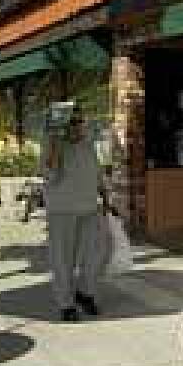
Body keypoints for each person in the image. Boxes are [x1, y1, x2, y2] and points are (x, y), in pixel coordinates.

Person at [42, 105, 108, 322]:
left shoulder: (88, 145)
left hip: (90, 208)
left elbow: (97, 172)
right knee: (63, 260)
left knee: (96, 255)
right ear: (63, 126)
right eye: (73, 122)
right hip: (62, 211)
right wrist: (53, 142)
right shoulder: (54, 145)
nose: (79, 126)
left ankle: (86, 293)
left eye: (81, 122)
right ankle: (66, 303)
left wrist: (105, 197)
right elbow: (50, 173)